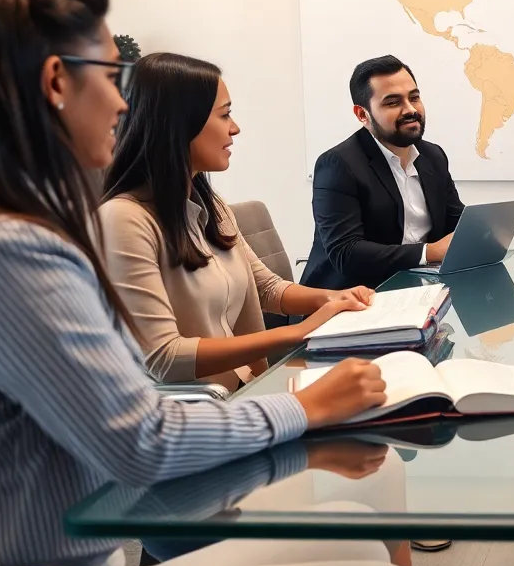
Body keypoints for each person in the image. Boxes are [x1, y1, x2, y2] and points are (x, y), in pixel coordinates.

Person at [0, 0, 419, 566]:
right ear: (57, 81)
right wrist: (302, 405)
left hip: (94, 558)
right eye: (110, 73)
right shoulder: (9, 249)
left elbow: (130, 412)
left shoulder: (10, 230)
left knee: (366, 524)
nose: (122, 99)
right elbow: (142, 435)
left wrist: (320, 320)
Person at [100, 53, 375, 392]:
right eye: (225, 114)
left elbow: (267, 288)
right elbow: (164, 357)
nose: (235, 127)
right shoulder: (123, 220)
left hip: (252, 385)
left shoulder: (211, 206)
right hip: (204, 409)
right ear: (178, 123)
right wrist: (298, 332)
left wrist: (333, 299)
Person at [300, 55, 464, 291]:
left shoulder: (433, 156)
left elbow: (455, 223)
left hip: (418, 290)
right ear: (362, 115)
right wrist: (430, 252)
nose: (410, 110)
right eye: (392, 102)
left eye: (414, 97)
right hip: (351, 298)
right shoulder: (337, 165)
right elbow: (346, 252)